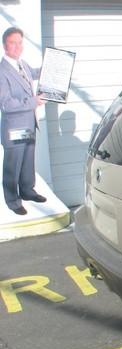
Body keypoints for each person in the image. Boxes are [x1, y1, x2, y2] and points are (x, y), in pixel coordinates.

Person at [0, 26, 46, 215]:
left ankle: (27, 190)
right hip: (14, 127)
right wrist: (32, 101)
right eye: (13, 42)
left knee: (28, 160)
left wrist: (55, 66)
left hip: (28, 124)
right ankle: (12, 200)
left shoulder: (22, 64)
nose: (18, 46)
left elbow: (35, 73)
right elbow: (6, 104)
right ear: (5, 46)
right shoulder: (2, 71)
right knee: (13, 165)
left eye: (20, 42)